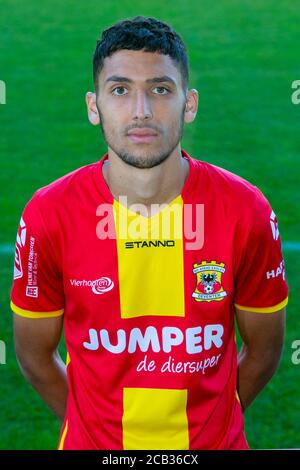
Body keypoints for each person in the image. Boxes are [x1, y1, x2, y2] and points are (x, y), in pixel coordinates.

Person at [10, 16, 288, 450]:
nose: (141, 110)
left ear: (189, 104)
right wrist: (92, 430)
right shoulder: (49, 214)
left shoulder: (246, 210)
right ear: (93, 105)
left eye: (161, 89)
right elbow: (33, 355)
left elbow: (266, 350)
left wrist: (214, 424)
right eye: (120, 90)